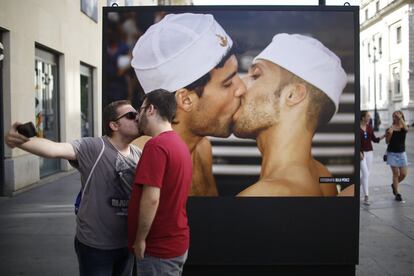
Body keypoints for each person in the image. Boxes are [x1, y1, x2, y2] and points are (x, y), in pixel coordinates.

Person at [5, 100, 142, 276]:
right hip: (96, 246)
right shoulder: (94, 147)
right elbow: (55, 149)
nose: (137, 118)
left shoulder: (139, 154)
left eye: (137, 114)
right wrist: (21, 142)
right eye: (131, 116)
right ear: (114, 125)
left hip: (126, 243)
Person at [131, 13, 246, 196]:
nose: (242, 88)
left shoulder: (201, 148)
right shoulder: (136, 162)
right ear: (185, 100)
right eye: (228, 83)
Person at [232, 33, 348, 196]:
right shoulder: (322, 176)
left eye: (256, 75)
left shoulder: (264, 195)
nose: (240, 86)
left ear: (293, 95)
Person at [128, 89, 192, 276]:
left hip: (158, 248)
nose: (137, 117)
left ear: (151, 110)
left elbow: (151, 199)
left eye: (140, 110)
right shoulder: (179, 144)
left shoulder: (156, 146)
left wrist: (140, 239)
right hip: (174, 242)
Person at [360, 111, 385, 205]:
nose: (370, 117)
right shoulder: (356, 128)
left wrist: (384, 136)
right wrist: (359, 152)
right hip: (361, 154)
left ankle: (355, 187)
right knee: (365, 174)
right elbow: (355, 142)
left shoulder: (370, 127)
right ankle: (366, 196)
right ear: (363, 117)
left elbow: (374, 139)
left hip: (370, 153)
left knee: (366, 174)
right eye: (368, 116)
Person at [386, 110, 409, 202]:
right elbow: (387, 142)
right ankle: (397, 193)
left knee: (403, 174)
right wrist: (390, 134)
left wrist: (401, 119)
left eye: (396, 116)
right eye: (394, 116)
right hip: (392, 153)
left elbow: (406, 129)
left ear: (401, 117)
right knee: (395, 174)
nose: (395, 118)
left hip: (402, 153)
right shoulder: (390, 128)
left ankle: (394, 185)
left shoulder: (403, 128)